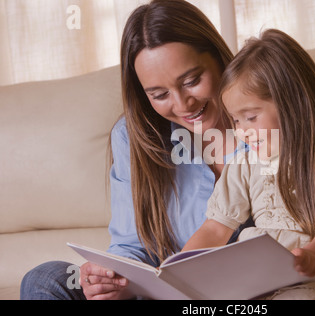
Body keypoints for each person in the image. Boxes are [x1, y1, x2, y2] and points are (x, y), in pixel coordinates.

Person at [20, 0, 247, 300]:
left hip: (233, 295)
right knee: (45, 278)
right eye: (160, 94)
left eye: (191, 81)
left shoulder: (266, 125)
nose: (182, 105)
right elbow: (130, 247)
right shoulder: (133, 137)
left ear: (220, 59)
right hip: (157, 293)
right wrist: (109, 281)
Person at [182, 29, 315, 300]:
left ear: (292, 104)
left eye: (250, 117)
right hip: (251, 278)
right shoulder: (245, 162)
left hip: (308, 277)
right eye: (235, 120)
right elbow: (215, 228)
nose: (241, 132)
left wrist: (313, 255)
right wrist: (178, 267)